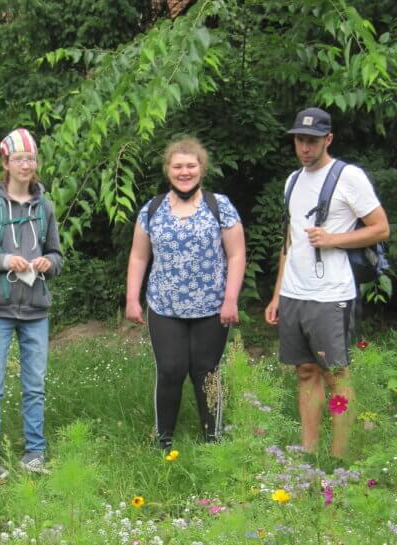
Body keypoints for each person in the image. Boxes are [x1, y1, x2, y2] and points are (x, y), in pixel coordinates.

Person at [264, 107, 390, 459]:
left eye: (312, 141)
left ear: (328, 139)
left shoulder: (348, 177)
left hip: (331, 294)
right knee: (305, 371)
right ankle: (308, 453)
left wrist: (332, 239)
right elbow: (290, 241)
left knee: (336, 374)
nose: (304, 147)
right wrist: (277, 295)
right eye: (299, 140)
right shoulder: (293, 180)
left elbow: (381, 228)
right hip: (294, 293)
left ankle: (340, 457)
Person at [125, 136, 245, 449]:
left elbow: (236, 255)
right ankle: (163, 441)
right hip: (164, 307)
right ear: (168, 170)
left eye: (190, 165)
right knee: (170, 370)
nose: (184, 172)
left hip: (212, 307)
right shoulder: (152, 210)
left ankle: (213, 440)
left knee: (207, 372)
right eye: (177, 166)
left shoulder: (221, 208)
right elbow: (139, 256)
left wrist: (231, 299)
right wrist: (131, 299)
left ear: (201, 168)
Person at [0, 128, 63, 483]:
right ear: (6, 162)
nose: (26, 165)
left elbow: (57, 254)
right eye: (19, 158)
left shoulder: (45, 207)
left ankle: (34, 453)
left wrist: (50, 263)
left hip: (36, 310)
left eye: (31, 158)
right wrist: (5, 261)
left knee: (35, 385)